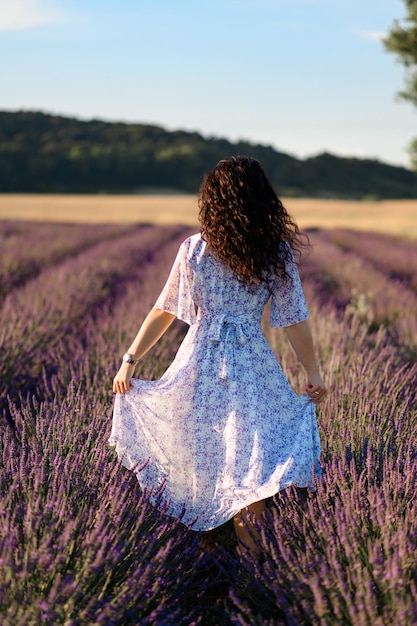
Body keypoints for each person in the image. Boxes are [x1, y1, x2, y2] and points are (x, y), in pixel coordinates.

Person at [110, 156, 327, 559]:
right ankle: (249, 560)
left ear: (213, 200)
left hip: (200, 362)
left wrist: (130, 360)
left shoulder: (195, 248)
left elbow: (165, 310)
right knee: (253, 460)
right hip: (252, 366)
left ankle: (205, 545)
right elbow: (295, 319)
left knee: (198, 450)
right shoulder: (274, 252)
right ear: (263, 199)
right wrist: (312, 372)